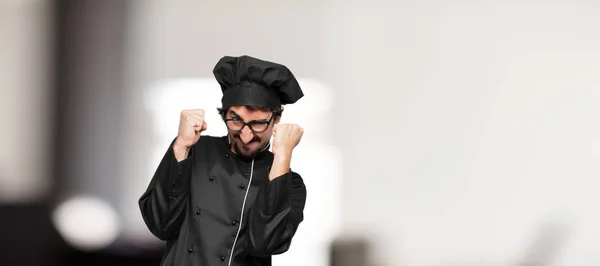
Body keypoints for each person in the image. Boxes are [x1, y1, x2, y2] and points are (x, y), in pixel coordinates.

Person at [139, 55, 307, 266]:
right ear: (224, 114)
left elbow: (264, 243)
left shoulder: (290, 183)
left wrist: (282, 154)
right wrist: (181, 145)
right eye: (236, 120)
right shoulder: (195, 151)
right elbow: (160, 224)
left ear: (277, 120)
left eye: (258, 123)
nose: (245, 135)